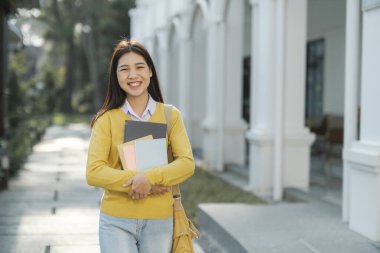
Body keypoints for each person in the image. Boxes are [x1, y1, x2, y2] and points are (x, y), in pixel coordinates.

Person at [86, 38, 195, 253]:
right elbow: (94, 172)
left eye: (139, 67)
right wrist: (140, 183)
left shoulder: (170, 116)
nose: (133, 75)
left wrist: (149, 178)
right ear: (116, 77)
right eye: (124, 69)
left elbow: (187, 164)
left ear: (151, 72)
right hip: (116, 220)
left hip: (159, 219)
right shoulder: (105, 119)